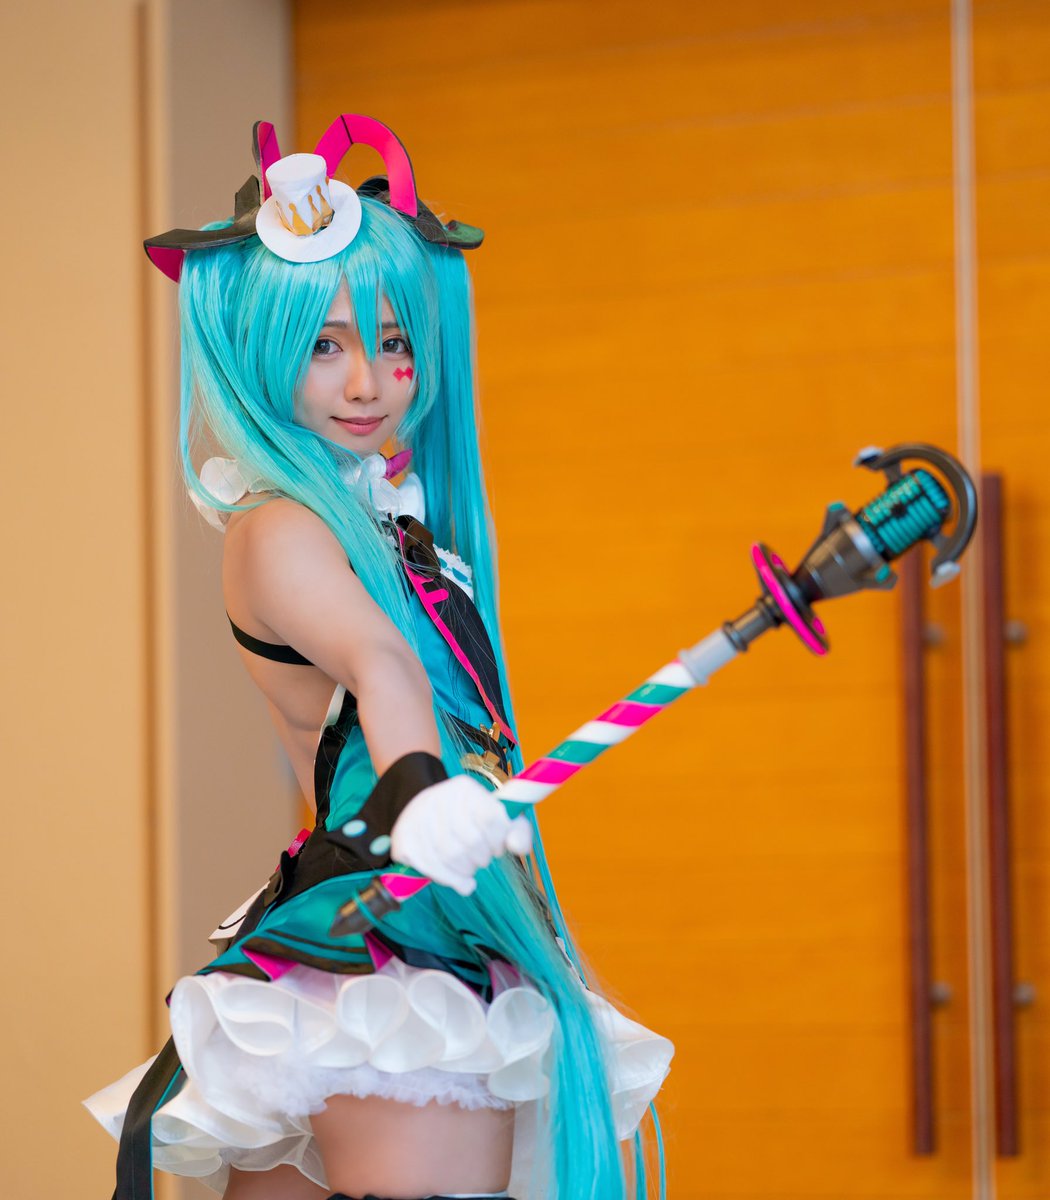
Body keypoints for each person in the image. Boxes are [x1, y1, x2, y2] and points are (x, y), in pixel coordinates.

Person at [85, 114, 672, 1200]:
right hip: (388, 940)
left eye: (393, 344)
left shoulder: (389, 528)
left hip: (391, 927)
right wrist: (420, 795)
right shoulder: (279, 528)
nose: (369, 381)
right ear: (261, 348)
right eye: (326, 345)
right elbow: (383, 669)